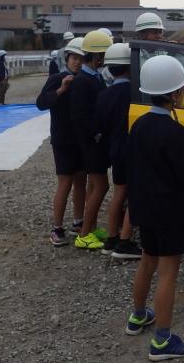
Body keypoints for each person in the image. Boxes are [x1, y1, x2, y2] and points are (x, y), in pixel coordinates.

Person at [124, 55, 184, 359]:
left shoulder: (139, 125)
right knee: (168, 271)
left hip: (143, 206)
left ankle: (139, 315)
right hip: (169, 210)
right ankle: (163, 341)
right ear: (171, 95)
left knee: (147, 261)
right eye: (180, 89)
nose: (183, 93)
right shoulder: (174, 132)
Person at [36, 37, 87, 247]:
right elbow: (41, 103)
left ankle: (78, 222)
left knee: (81, 182)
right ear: (67, 58)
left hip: (81, 140)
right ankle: (57, 228)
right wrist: (61, 90)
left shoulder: (85, 79)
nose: (78, 62)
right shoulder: (57, 78)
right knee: (64, 184)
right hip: (63, 140)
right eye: (75, 57)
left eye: (82, 58)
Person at [97, 43, 142, 260]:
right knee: (135, 194)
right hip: (131, 150)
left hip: (114, 149)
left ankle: (111, 238)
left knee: (119, 193)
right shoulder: (133, 94)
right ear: (130, 67)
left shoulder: (104, 94)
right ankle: (125, 242)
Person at [71, 30, 113, 250]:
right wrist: (96, 134)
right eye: (104, 54)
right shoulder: (82, 82)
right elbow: (80, 116)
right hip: (91, 143)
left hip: (95, 142)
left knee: (93, 186)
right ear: (97, 56)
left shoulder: (93, 77)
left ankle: (91, 226)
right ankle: (84, 234)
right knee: (102, 186)